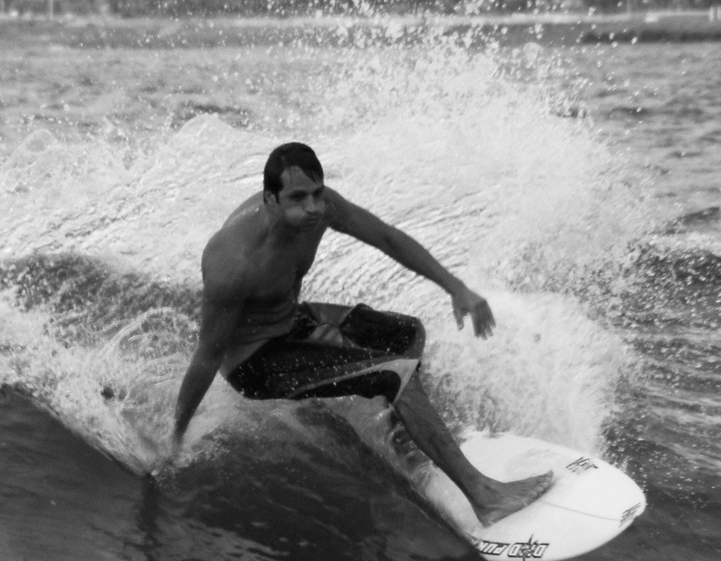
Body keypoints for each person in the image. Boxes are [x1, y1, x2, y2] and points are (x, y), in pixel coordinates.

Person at [171, 142, 552, 525]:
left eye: (317, 194)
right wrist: (175, 440)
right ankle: (486, 498)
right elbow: (207, 357)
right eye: (298, 198)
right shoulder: (232, 262)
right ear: (270, 199)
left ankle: (404, 435)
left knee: (407, 335)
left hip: (291, 322)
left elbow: (386, 238)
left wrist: (456, 287)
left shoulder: (319, 211)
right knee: (397, 373)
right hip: (256, 363)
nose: (313, 207)